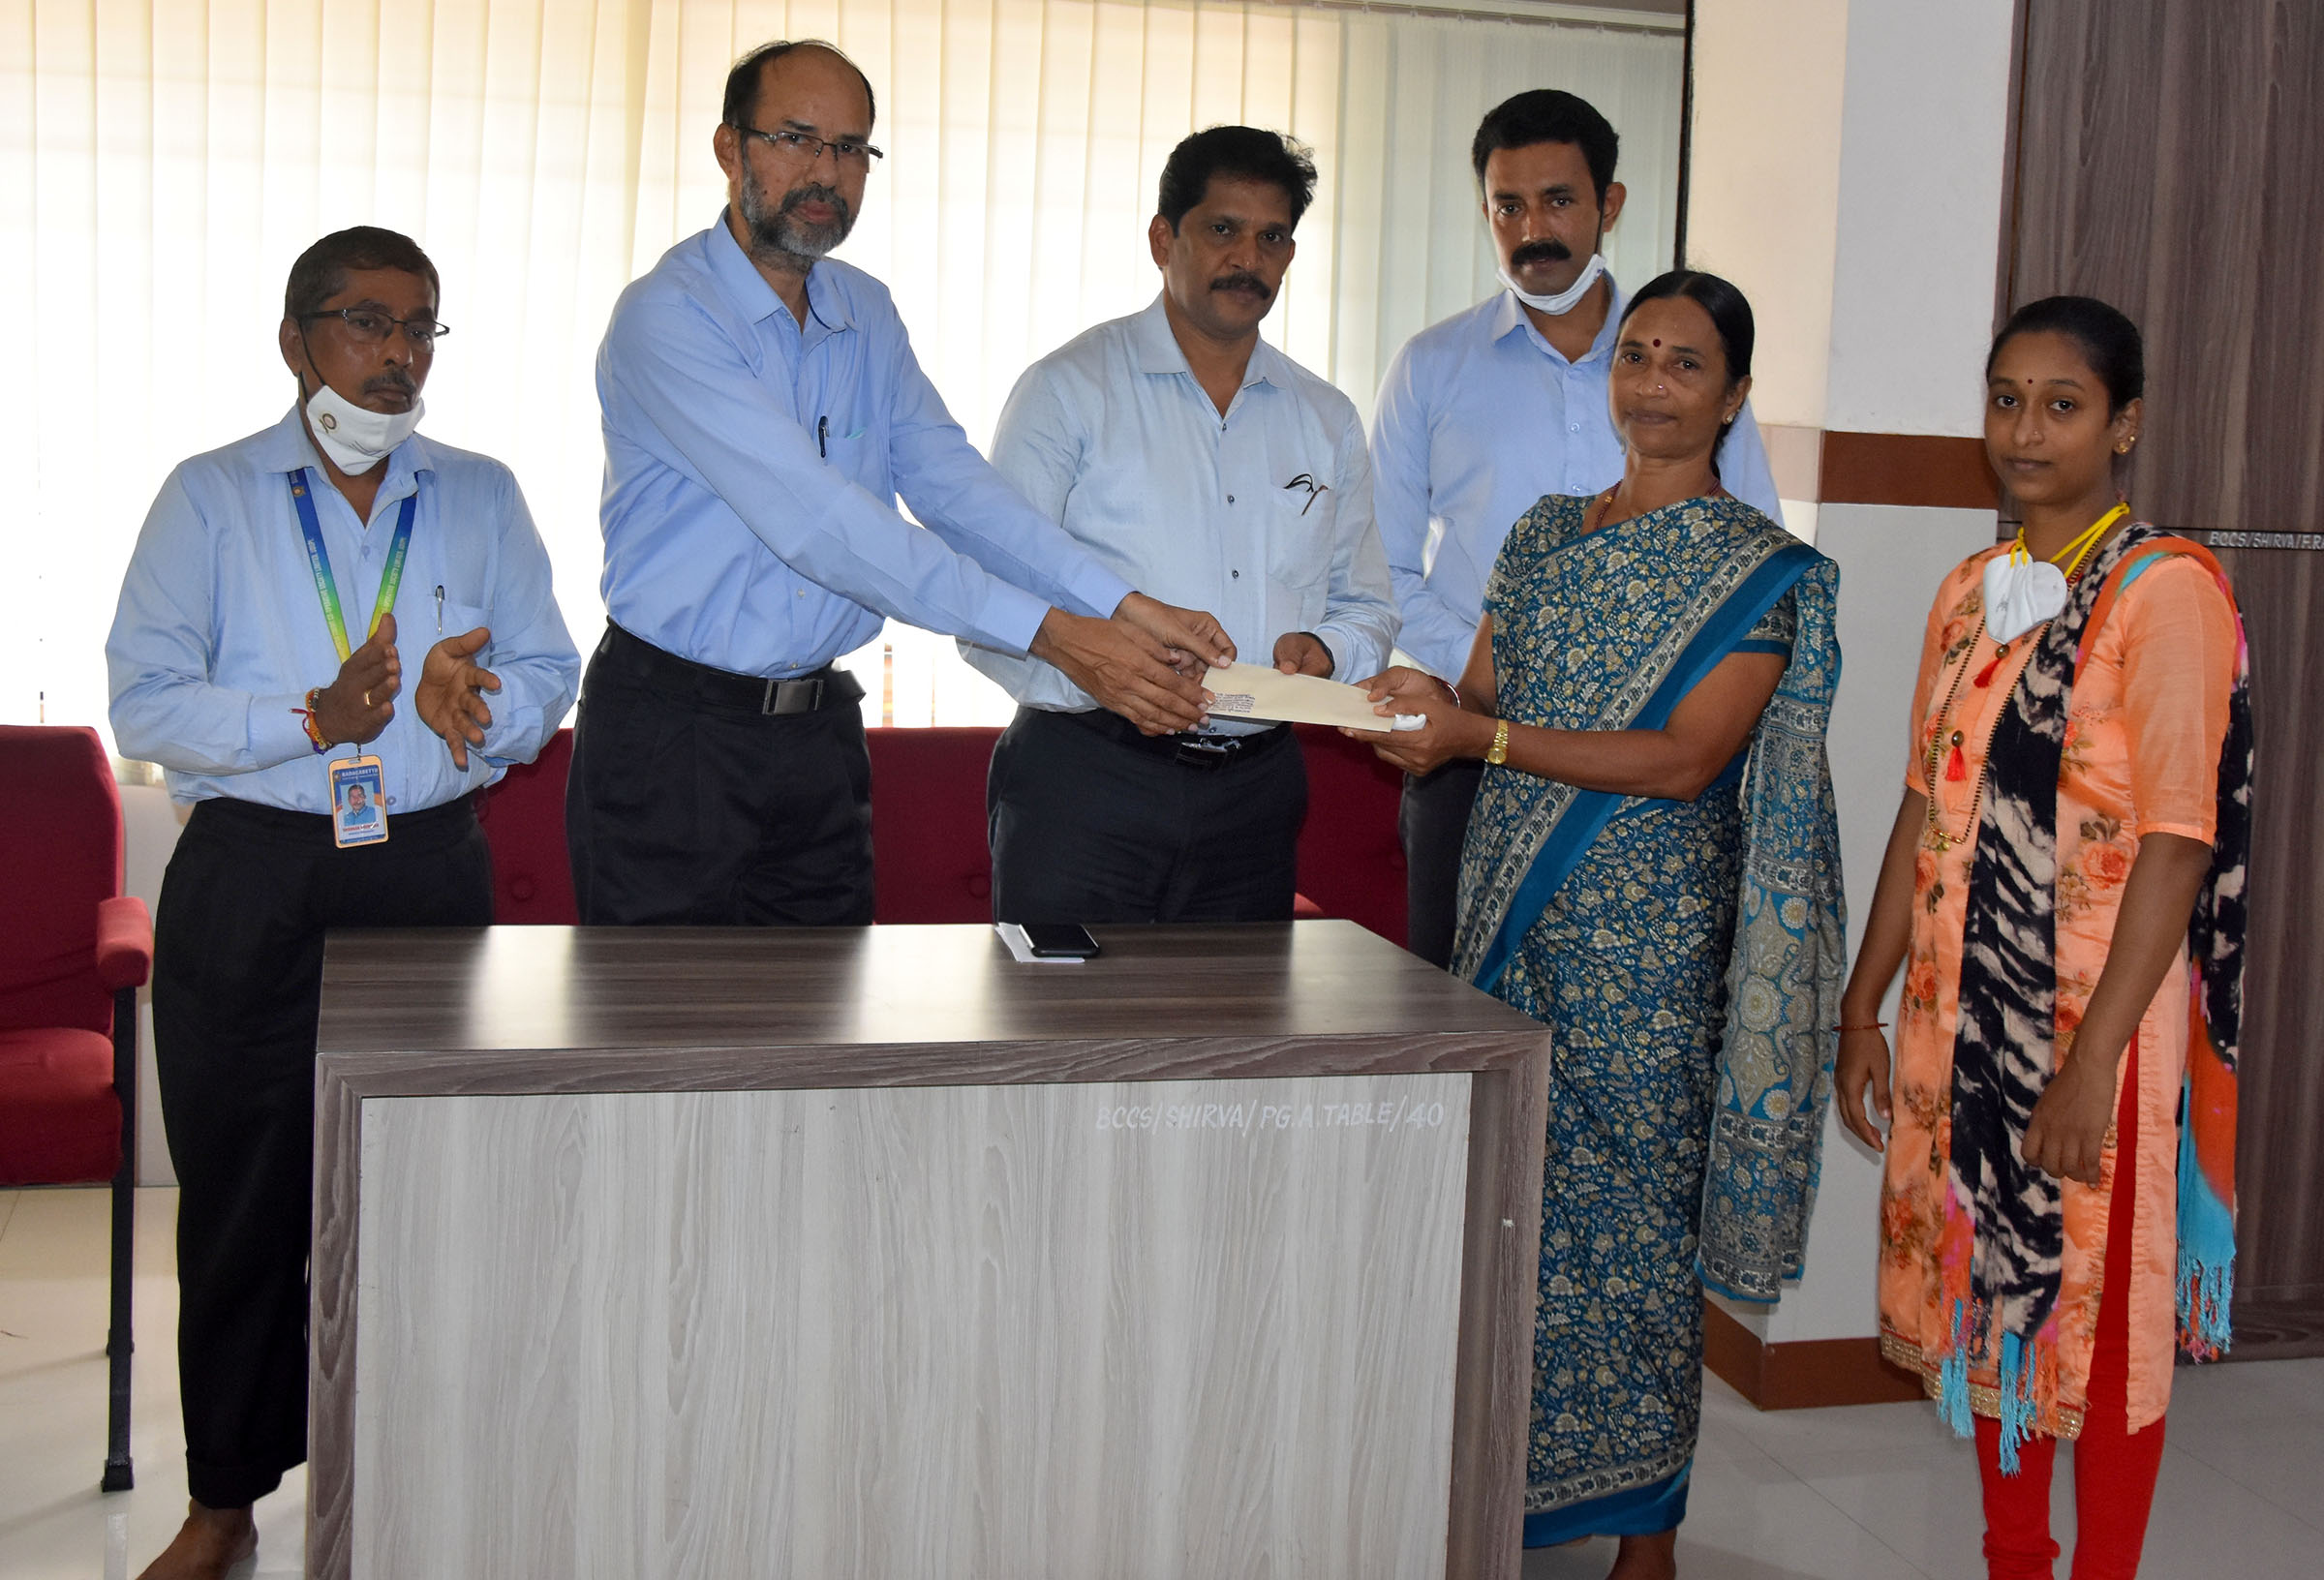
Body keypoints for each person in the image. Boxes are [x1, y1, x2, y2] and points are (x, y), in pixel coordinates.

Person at [1349, 271, 1842, 1578]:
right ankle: (1495, 1485)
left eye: (1687, 364)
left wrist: (1481, 739)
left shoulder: (1758, 572)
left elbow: (1686, 760)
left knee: (1631, 1229)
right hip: (1510, 923)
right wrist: (1410, 711)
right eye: (1636, 356)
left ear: (1733, 396)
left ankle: (1647, 1531)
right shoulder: (1542, 536)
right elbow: (1480, 699)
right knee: (1507, 1209)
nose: (1652, 384)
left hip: (1652, 943)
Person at [107, 226, 580, 1580]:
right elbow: (145, 701)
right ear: (295, 340)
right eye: (366, 321)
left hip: (422, 869)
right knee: (245, 1200)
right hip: (252, 870)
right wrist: (312, 717)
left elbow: (551, 668)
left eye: (420, 326)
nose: (398, 353)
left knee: (427, 1195)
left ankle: (415, 1485)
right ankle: (224, 1505)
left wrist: (479, 708)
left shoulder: (479, 494)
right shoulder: (209, 496)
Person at [575, 39, 1235, 927]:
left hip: (816, 731)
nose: (826, 172)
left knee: (826, 1008)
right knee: (663, 1013)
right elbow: (823, 526)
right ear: (731, 147)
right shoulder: (668, 315)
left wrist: (1121, 604)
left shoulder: (866, 309)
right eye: (797, 139)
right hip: (672, 733)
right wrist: (1052, 635)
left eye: (851, 148)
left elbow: (954, 486)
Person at [1835, 296, 2250, 1580]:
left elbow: (2177, 842)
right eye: (2006, 399)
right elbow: (1925, 803)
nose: (2025, 430)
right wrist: (1862, 1003)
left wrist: (2089, 1069)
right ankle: (2014, 1561)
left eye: (2062, 405)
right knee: (1988, 1305)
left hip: (2096, 1026)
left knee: (2101, 1327)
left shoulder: (2163, 593)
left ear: (2124, 426)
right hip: (1959, 1019)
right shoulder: (1972, 591)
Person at [1370, 89, 1785, 967]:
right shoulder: (1432, 366)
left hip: (1647, 772)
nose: (1533, 229)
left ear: (1610, 204)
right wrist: (1491, 695)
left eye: (1558, 200)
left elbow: (1747, 564)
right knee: (1458, 1004)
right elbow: (1386, 569)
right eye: (1507, 206)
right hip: (1469, 753)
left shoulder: (1685, 360)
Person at [965, 126, 1397, 924]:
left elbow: (1368, 603)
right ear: (1164, 239)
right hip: (1088, 777)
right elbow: (983, 602)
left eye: (1272, 237)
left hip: (1257, 791)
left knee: (1236, 1011)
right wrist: (1113, 679)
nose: (1249, 258)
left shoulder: (1326, 418)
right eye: (1223, 229)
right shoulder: (1068, 390)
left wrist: (1328, 650)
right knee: (1064, 1006)